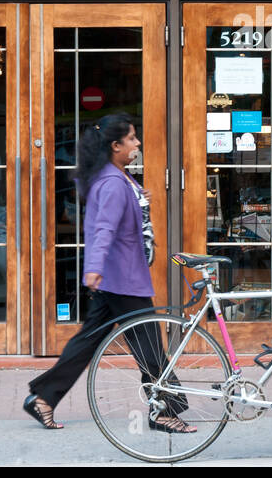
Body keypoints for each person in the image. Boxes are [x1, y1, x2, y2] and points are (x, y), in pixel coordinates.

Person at [23, 114, 193, 433]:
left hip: (116, 277)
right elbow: (104, 229)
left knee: (88, 340)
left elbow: (117, 217)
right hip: (123, 278)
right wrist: (94, 269)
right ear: (115, 146)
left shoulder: (115, 176)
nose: (137, 143)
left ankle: (43, 398)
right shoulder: (114, 182)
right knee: (150, 345)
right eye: (131, 139)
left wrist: (139, 201)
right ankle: (165, 411)